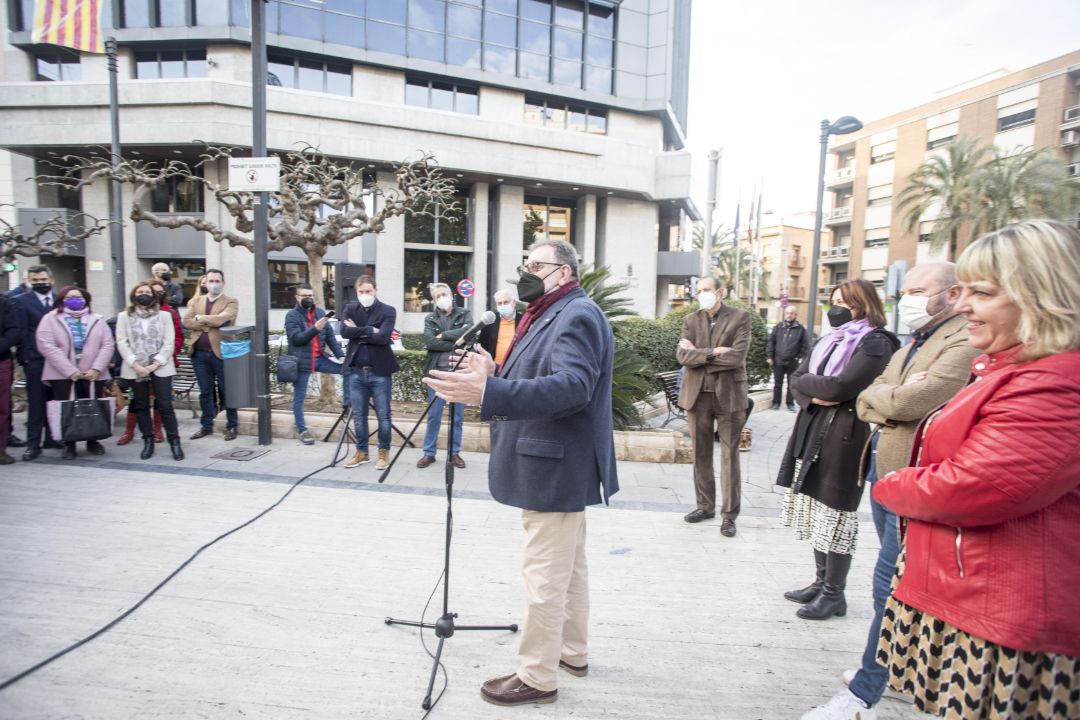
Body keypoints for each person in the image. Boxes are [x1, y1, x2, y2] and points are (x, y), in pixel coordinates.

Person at [871, 220, 1080, 719]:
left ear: (1042, 297)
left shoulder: (1052, 384)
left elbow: (971, 488)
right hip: (980, 596)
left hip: (1010, 614)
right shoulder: (1011, 369)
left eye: (981, 293)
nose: (962, 305)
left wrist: (892, 484)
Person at [423, 238, 618, 707]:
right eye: (524, 262)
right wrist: (495, 372)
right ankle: (571, 653)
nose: (526, 271)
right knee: (568, 571)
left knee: (544, 579)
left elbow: (572, 387)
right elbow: (541, 376)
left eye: (536, 264)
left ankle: (537, 675)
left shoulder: (577, 314)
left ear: (564, 272)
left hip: (555, 465)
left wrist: (489, 393)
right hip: (556, 463)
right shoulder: (549, 311)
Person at [801, 262, 980, 719]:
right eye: (906, 290)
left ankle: (868, 687)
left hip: (919, 482)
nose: (909, 299)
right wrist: (889, 395)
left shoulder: (960, 341)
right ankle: (897, 667)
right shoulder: (915, 342)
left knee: (890, 583)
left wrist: (888, 396)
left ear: (954, 294)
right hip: (887, 476)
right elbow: (876, 394)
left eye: (920, 290)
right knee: (894, 583)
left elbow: (903, 398)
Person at [775, 279, 898, 620]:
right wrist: (816, 393)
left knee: (836, 510)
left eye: (845, 302)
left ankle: (834, 594)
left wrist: (817, 389)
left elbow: (843, 386)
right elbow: (798, 378)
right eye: (833, 301)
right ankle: (820, 582)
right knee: (817, 508)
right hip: (814, 427)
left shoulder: (875, 342)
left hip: (846, 435)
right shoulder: (829, 339)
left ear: (863, 304)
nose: (837, 308)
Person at [676, 276, 751, 537]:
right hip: (697, 396)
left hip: (729, 395)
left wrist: (700, 354)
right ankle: (704, 506)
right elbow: (683, 356)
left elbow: (737, 357)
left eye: (706, 290)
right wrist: (714, 352)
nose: (702, 294)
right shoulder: (690, 320)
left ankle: (729, 515)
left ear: (720, 292)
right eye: (698, 291)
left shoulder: (740, 317)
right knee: (700, 454)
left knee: (730, 456)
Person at [35, 285, 115, 460]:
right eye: (70, 297)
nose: (75, 299)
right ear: (62, 300)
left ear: (86, 299)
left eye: (79, 297)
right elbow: (46, 346)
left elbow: (107, 344)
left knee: (92, 407)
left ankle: (93, 440)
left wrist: (96, 368)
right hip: (62, 374)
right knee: (67, 408)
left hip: (93, 374)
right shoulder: (50, 319)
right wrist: (70, 371)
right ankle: (69, 443)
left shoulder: (97, 319)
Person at [115, 280, 184, 461]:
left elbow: (169, 343)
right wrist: (136, 365)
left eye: (147, 291)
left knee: (165, 405)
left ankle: (174, 442)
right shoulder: (124, 317)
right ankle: (148, 441)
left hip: (160, 367)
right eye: (140, 292)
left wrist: (155, 364)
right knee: (141, 406)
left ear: (154, 296)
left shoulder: (164, 316)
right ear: (133, 296)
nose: (143, 294)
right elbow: (122, 342)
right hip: (135, 368)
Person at [340, 276, 398, 470]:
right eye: (361, 292)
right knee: (358, 416)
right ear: (357, 292)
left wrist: (357, 330)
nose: (365, 295)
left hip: (380, 372)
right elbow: (344, 332)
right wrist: (369, 330)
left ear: (375, 290)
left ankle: (383, 453)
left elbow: (383, 337)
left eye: (368, 291)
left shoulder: (388, 310)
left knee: (383, 415)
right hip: (356, 372)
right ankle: (362, 452)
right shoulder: (350, 309)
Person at [418, 282, 472, 470]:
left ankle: (454, 453)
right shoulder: (430, 318)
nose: (442, 298)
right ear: (433, 300)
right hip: (436, 374)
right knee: (434, 415)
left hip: (458, 373)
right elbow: (430, 342)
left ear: (451, 295)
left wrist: (444, 335)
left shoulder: (464, 314)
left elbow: (469, 334)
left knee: (457, 416)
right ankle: (429, 453)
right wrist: (455, 342)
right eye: (437, 296)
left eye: (444, 294)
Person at [183, 268, 239, 441]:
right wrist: (210, 321)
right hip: (199, 354)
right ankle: (206, 425)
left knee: (227, 390)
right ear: (205, 282)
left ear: (223, 283)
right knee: (205, 392)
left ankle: (231, 426)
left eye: (217, 281)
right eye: (211, 280)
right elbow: (186, 321)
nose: (214, 284)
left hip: (221, 353)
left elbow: (224, 320)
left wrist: (200, 319)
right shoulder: (195, 301)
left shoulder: (231, 301)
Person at [12, 265, 62, 460]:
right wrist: (25, 357)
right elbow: (21, 331)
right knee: (36, 402)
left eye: (43, 279)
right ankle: (33, 443)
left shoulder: (61, 300)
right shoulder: (21, 302)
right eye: (35, 280)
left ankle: (52, 437)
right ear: (28, 281)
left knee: (54, 400)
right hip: (35, 359)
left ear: (51, 279)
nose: (40, 283)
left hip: (59, 360)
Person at [285, 283, 344, 446]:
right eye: (304, 296)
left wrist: (340, 356)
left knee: (349, 370)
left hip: (320, 358)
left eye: (310, 295)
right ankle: (302, 430)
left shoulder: (319, 313)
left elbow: (330, 337)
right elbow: (296, 339)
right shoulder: (292, 316)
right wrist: (315, 329)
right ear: (297, 298)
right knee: (299, 396)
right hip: (302, 361)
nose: (308, 298)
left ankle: (348, 409)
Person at [766, 305, 811, 411]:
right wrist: (769, 356)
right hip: (778, 360)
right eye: (787, 313)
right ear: (785, 314)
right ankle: (776, 403)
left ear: (795, 315)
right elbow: (771, 342)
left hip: (793, 361)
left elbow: (805, 345)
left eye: (791, 313)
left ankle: (790, 403)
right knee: (778, 383)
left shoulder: (801, 329)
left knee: (792, 384)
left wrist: (799, 358)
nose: (789, 315)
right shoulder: (778, 327)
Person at [0, 294, 22, 464]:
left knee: (2, 407)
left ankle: (1, 449)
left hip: (1, 360)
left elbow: (14, 331)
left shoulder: (5, 303)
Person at [479, 288, 522, 366]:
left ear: (514, 302)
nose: (503, 305)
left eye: (506, 302)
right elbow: (483, 345)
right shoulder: (490, 321)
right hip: (494, 367)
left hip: (516, 368)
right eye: (499, 303)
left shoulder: (523, 321)